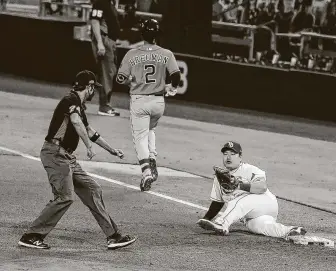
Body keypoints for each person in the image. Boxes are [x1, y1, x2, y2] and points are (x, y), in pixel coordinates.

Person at [18, 70, 136, 250]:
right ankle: (31, 235)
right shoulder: (70, 100)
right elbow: (76, 122)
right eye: (93, 88)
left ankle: (113, 236)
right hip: (55, 154)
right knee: (65, 197)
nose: (94, 92)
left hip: (67, 157)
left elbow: (89, 130)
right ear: (88, 87)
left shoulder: (79, 105)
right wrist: (88, 146)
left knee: (92, 189)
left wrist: (112, 150)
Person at [116, 19, 181, 192]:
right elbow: (176, 75)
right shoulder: (166, 53)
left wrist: (130, 81)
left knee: (140, 137)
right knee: (150, 130)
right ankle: (152, 156)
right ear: (157, 35)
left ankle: (146, 172)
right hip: (158, 102)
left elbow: (120, 78)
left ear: (142, 34)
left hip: (139, 100)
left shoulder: (132, 54)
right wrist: (172, 88)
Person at [196, 141, 307, 240]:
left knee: (238, 200)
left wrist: (239, 185)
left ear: (240, 157)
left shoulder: (250, 170)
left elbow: (262, 187)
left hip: (266, 202)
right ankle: (291, 231)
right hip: (252, 215)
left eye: (232, 154)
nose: (228, 157)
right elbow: (218, 202)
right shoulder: (219, 178)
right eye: (225, 154)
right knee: (261, 226)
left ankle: (222, 223)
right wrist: (206, 219)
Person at [90, 0, 121, 116]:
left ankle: (104, 104)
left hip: (109, 41)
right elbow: (94, 21)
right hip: (104, 40)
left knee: (108, 72)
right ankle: (104, 106)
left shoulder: (110, 3)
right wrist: (100, 43)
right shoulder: (101, 2)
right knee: (107, 73)